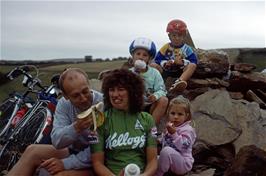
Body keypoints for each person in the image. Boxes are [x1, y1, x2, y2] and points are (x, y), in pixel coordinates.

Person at [8, 68, 103, 176]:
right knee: (32, 151)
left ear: (89, 85)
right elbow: (57, 141)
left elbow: (98, 151)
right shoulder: (63, 104)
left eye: (85, 91)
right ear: (66, 96)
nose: (84, 98)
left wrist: (65, 164)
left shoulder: (102, 104)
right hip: (75, 150)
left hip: (99, 158)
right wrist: (76, 128)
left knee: (50, 172)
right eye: (76, 95)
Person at [91, 69, 158, 176]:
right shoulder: (100, 121)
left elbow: (153, 161)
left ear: (133, 92)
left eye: (121, 89)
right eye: (111, 90)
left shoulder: (147, 119)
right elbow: (97, 163)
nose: (115, 94)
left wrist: (144, 175)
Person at [150, 19, 198, 93]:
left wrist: (183, 62)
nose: (177, 38)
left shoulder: (187, 49)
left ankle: (179, 82)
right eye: (174, 35)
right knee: (153, 65)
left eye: (180, 35)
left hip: (180, 71)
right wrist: (165, 63)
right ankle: (155, 84)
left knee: (192, 65)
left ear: (184, 36)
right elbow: (157, 59)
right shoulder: (166, 47)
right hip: (166, 71)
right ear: (169, 36)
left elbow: (194, 60)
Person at [129, 37, 168, 124]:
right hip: (133, 105)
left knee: (164, 100)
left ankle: (150, 129)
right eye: (138, 54)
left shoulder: (154, 73)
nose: (141, 57)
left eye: (145, 55)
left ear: (149, 58)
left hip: (150, 105)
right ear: (133, 55)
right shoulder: (129, 73)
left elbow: (162, 90)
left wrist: (155, 96)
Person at [156, 95, 196, 176]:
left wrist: (174, 134)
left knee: (166, 151)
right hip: (171, 161)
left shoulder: (188, 130)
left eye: (180, 114)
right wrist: (157, 139)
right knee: (154, 158)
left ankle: (158, 174)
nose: (176, 117)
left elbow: (184, 147)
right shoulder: (170, 126)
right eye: (173, 113)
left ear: (186, 116)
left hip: (183, 163)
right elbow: (165, 139)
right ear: (168, 113)